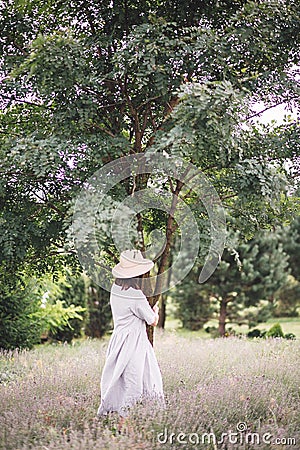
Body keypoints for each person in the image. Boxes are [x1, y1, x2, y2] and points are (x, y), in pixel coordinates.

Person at [97, 249, 164, 430]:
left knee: (120, 379)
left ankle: (122, 419)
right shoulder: (135, 295)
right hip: (133, 342)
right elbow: (152, 321)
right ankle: (123, 426)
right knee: (136, 382)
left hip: (118, 339)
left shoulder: (115, 289)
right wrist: (155, 309)